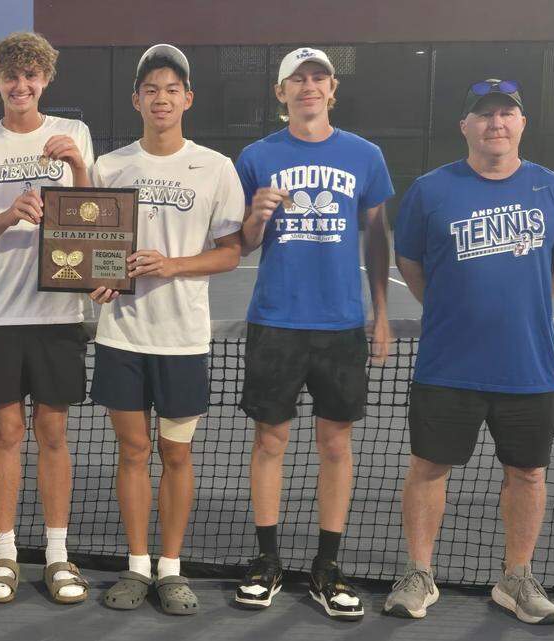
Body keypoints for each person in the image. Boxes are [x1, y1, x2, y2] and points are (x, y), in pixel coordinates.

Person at [385, 79, 554, 624]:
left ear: (522, 124)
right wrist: (455, 309)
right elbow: (411, 265)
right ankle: (419, 575)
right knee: (427, 467)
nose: (496, 123)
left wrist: (520, 308)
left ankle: (516, 578)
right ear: (465, 126)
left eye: (506, 114)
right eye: (484, 115)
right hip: (448, 365)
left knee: (529, 474)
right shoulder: (430, 191)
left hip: (528, 365)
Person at [234, 46, 394, 619]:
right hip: (275, 322)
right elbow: (242, 243)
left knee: (335, 446)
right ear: (280, 93)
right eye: (296, 79)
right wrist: (256, 214)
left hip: (342, 327)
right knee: (269, 444)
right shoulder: (255, 156)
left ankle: (327, 566)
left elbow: (377, 238)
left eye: (318, 78)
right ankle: (267, 560)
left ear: (332, 90)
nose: (308, 87)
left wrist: (380, 312)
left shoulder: (365, 155)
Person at [90, 44, 244, 615]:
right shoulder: (109, 166)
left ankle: (171, 569)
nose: (161, 97)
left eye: (171, 89)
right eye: (151, 88)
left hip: (183, 339)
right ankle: (136, 566)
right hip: (121, 337)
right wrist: (95, 280)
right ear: (137, 99)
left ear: (188, 99)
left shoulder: (215, 168)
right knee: (132, 453)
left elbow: (230, 253)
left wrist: (172, 265)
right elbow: (91, 252)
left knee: (176, 456)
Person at [0, 31, 95, 605]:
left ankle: (58, 555)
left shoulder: (75, 136)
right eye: (11, 76)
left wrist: (80, 169)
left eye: (31, 75)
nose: (21, 85)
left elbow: (93, 225)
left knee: (54, 433)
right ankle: (6, 551)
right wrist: (10, 213)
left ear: (46, 79)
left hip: (60, 312)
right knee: (7, 433)